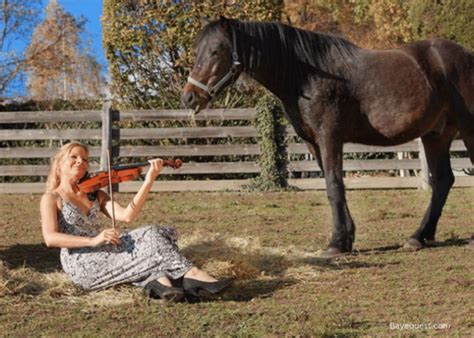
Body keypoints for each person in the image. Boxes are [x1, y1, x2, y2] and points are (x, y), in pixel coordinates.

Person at [40, 141, 232, 302]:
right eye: (74, 157)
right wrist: (93, 240)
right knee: (151, 247)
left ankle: (160, 284)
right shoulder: (52, 198)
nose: (80, 161)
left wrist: (149, 180)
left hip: (106, 249)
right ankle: (192, 276)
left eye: (85, 158)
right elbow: (50, 238)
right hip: (82, 263)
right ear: (59, 163)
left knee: (155, 232)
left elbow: (127, 216)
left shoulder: (95, 193)